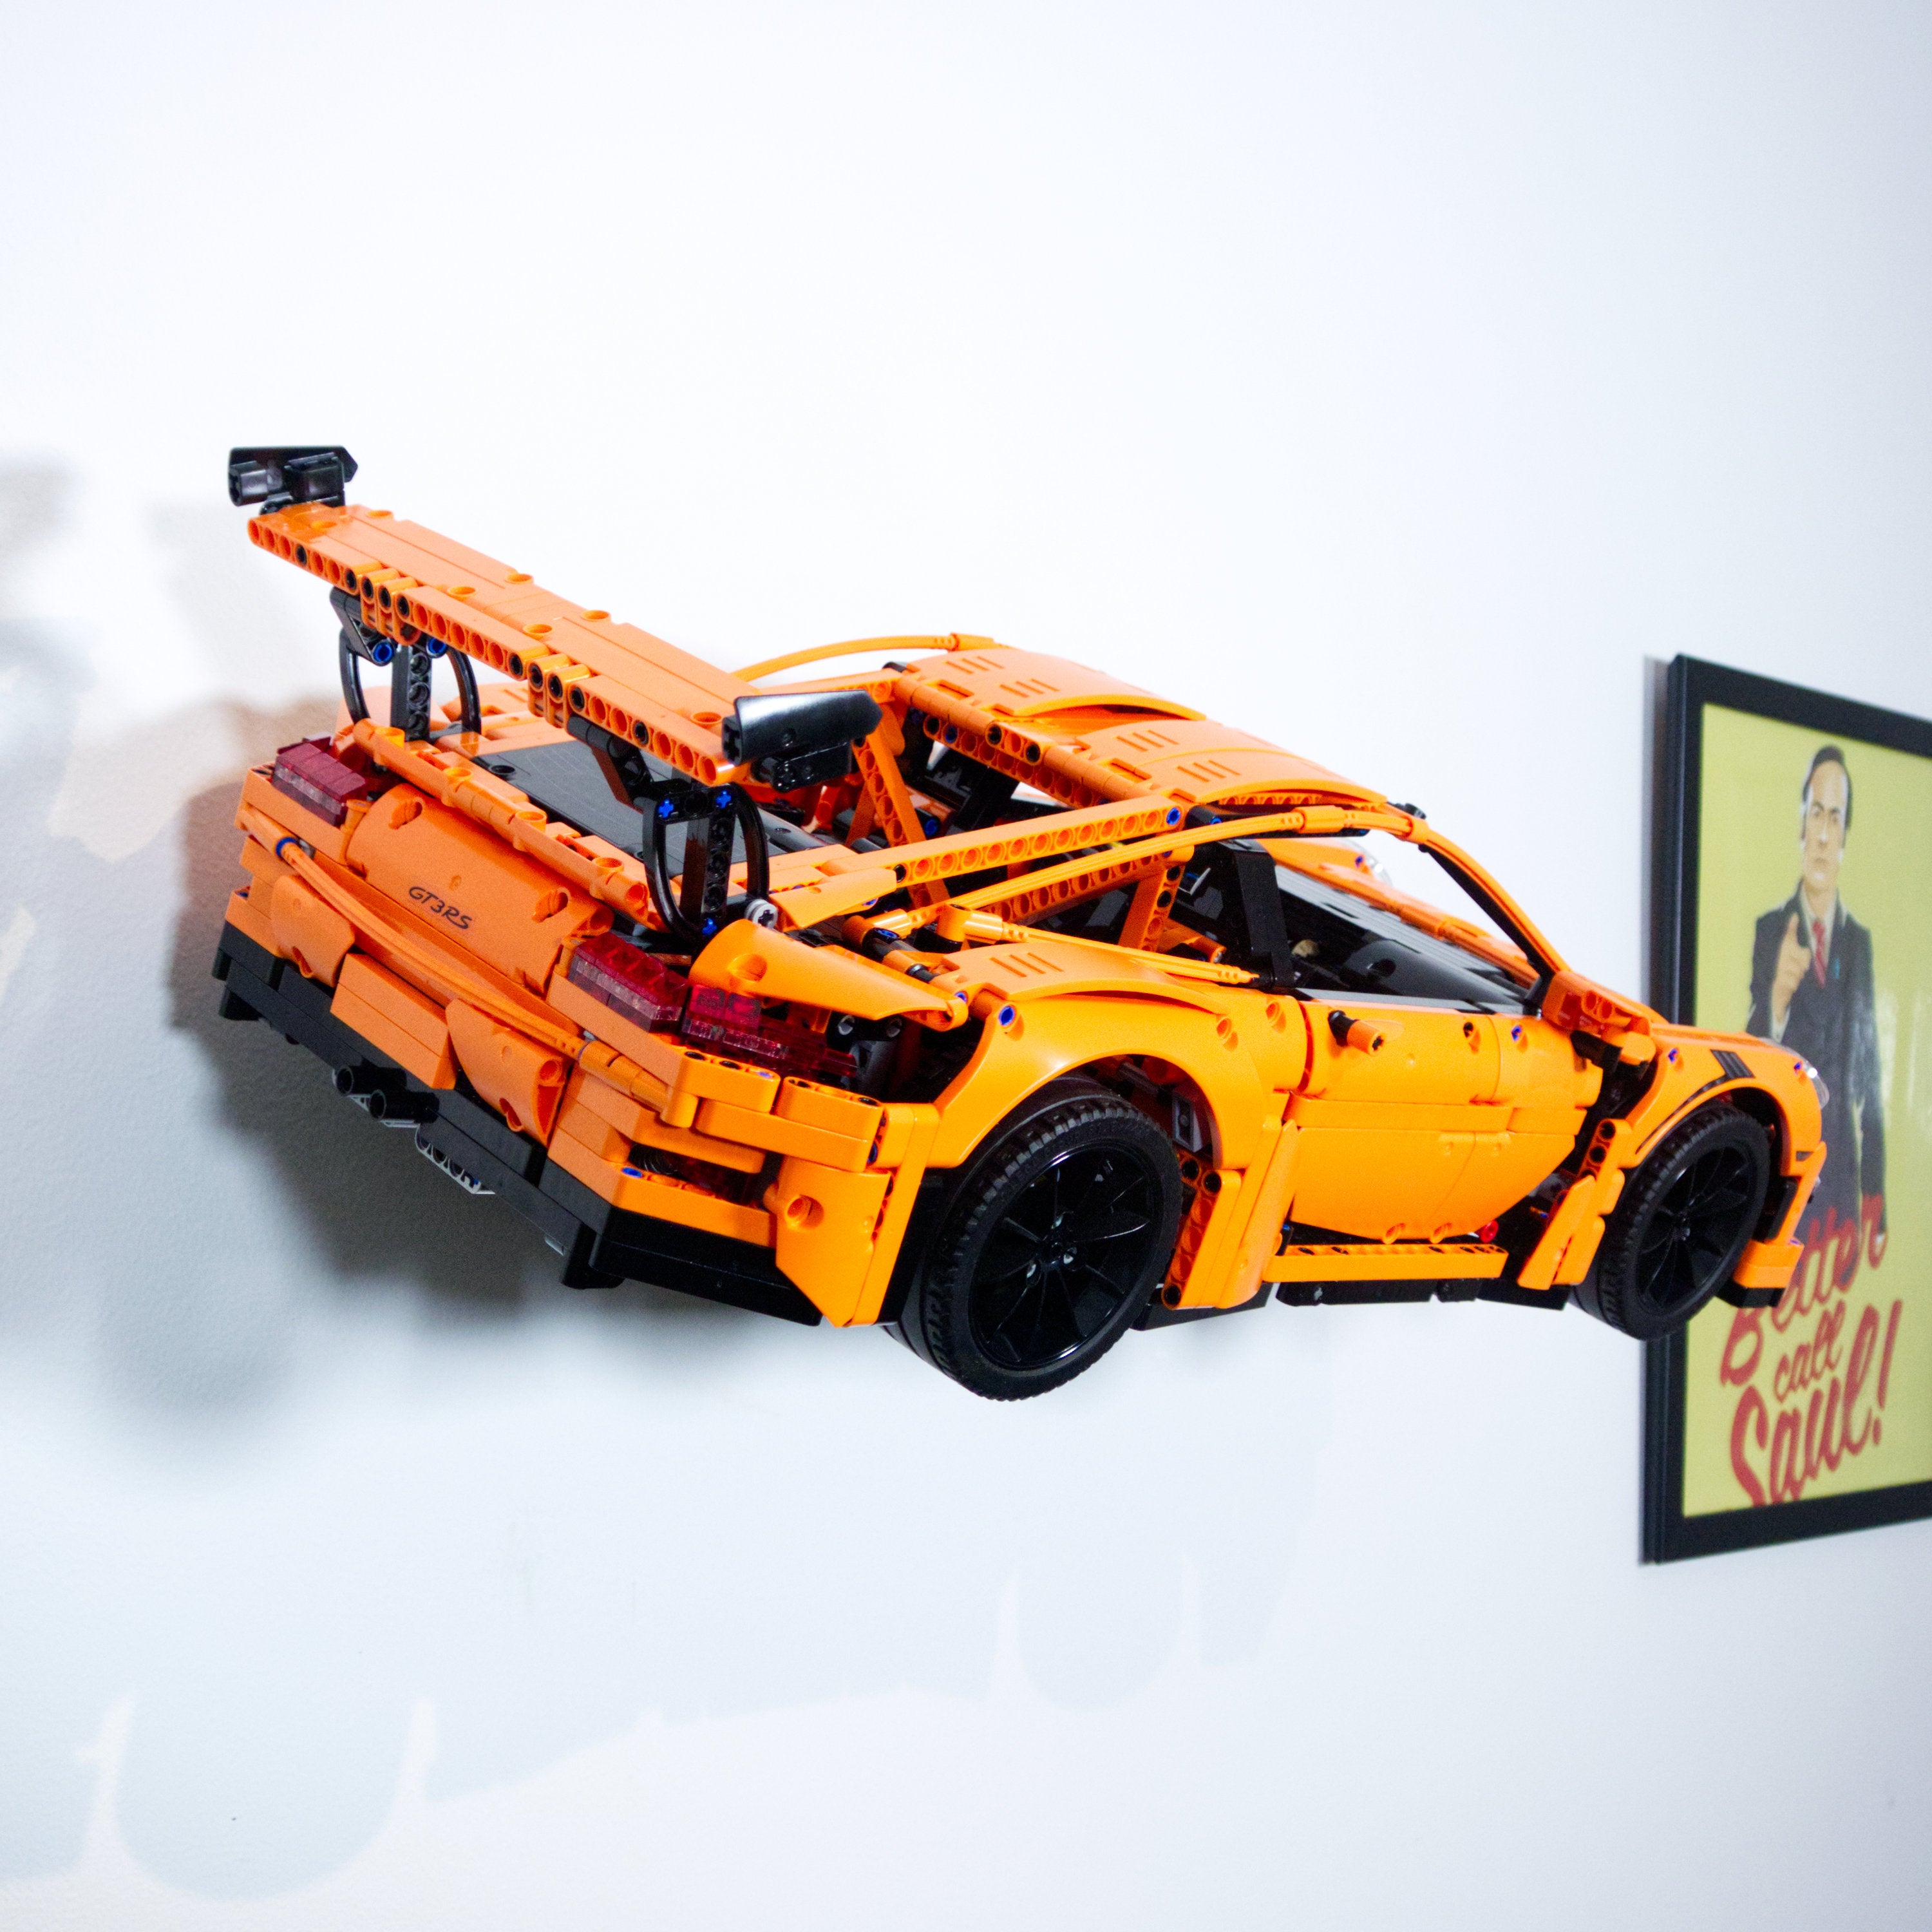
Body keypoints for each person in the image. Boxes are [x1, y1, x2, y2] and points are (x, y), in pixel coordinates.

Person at [1746, 744, 1885, 1267]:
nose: (1824, 834)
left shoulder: (1858, 943)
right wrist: (1776, 1002)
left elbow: (1870, 1074)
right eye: (1816, 814)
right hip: (1784, 1178)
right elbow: (1744, 1066)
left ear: (1845, 836)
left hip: (1842, 1186)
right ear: (1802, 825)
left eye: (1836, 818)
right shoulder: (1769, 932)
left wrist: (1876, 1199)